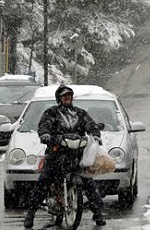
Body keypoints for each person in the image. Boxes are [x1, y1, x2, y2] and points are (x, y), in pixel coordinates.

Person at [24, 85, 106, 228]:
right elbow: (44, 125)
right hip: (56, 154)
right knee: (44, 180)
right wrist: (45, 134)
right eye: (64, 96)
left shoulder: (80, 113)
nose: (67, 98)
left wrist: (96, 134)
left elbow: (90, 125)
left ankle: (98, 213)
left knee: (88, 182)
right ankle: (31, 212)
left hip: (76, 156)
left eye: (69, 95)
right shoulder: (51, 113)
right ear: (59, 99)